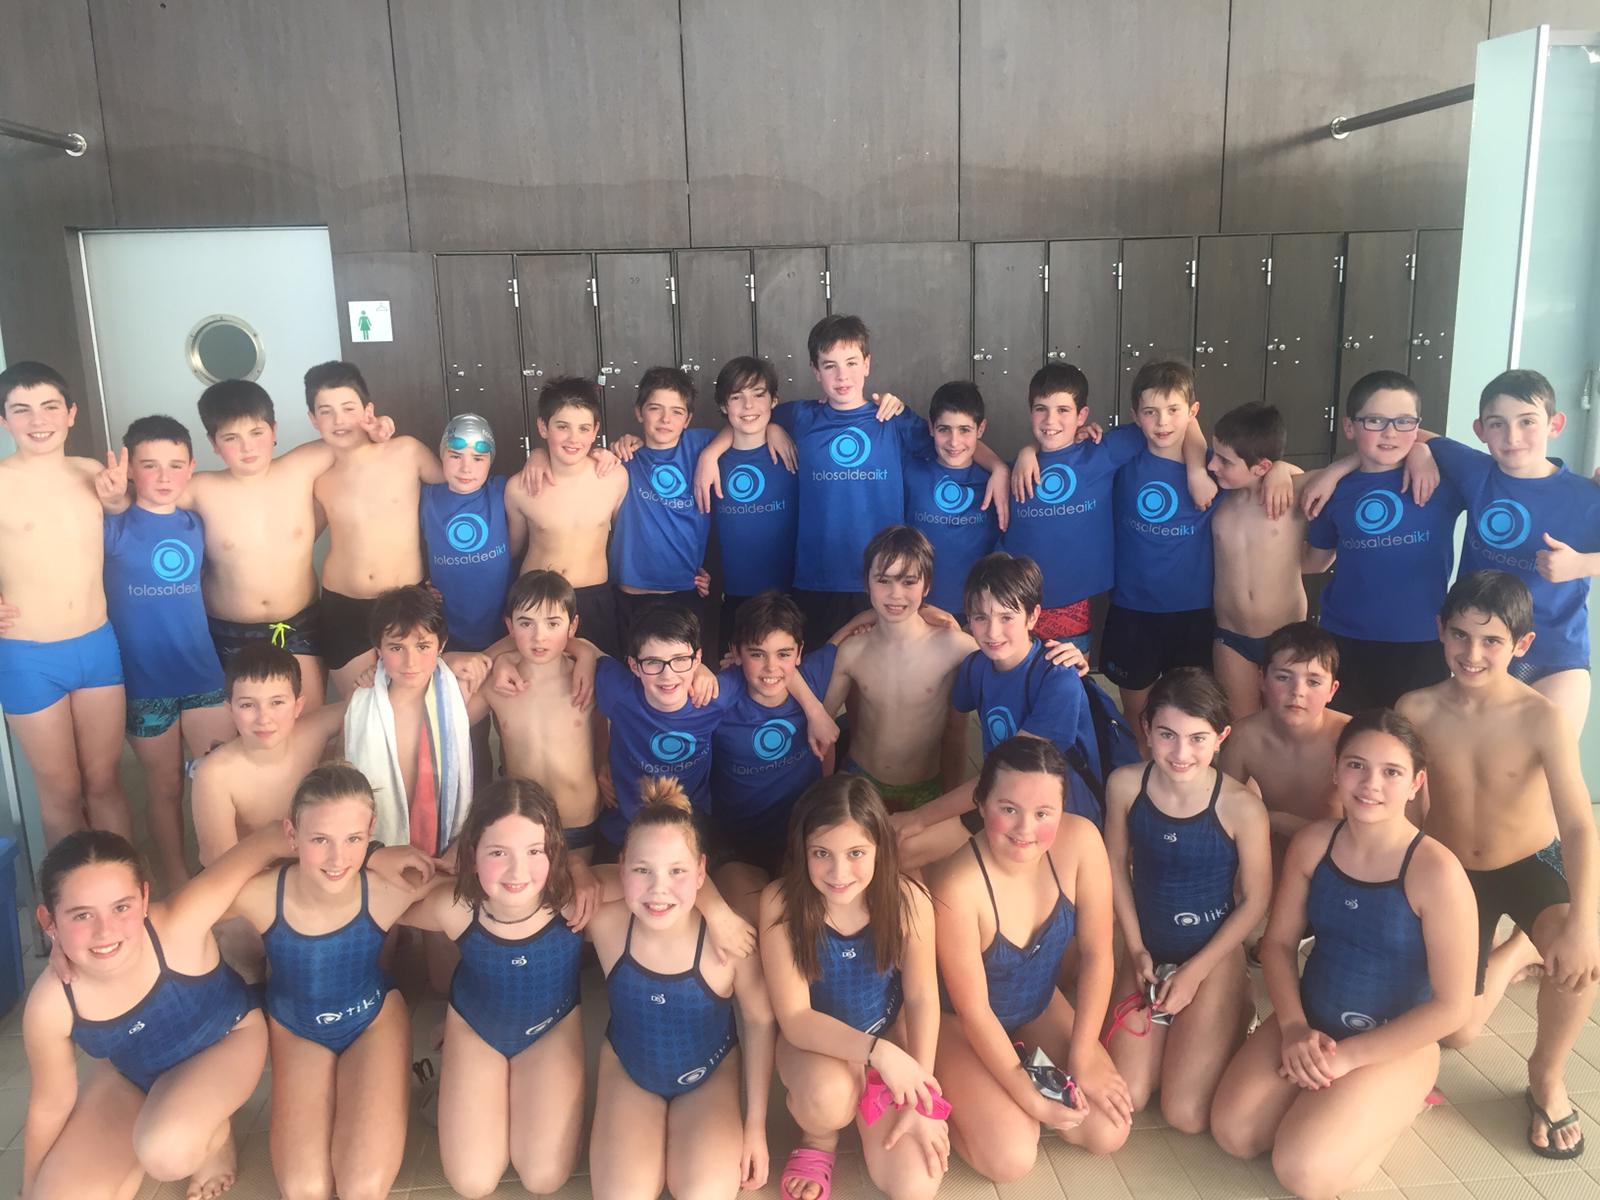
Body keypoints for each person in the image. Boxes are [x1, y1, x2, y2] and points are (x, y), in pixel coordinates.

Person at [1210, 711, 1476, 1199]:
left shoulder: (1436, 872)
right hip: (1312, 1023)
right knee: (1234, 1133)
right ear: (1335, 770)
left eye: (1391, 772)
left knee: (1303, 1172)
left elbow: (1453, 1006)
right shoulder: (1314, 843)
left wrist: (1348, 1059)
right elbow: (1278, 945)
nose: (1371, 784)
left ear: (1416, 783)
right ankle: (1333, 1103)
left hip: (1394, 1043)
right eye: (1357, 766)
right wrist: (1293, 1028)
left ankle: (1406, 1102)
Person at [1396, 570, 1599, 1157]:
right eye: (1460, 635)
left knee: (1580, 962)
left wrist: (1584, 925)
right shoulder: (1417, 708)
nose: (1473, 653)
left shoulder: (1541, 717)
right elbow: (1405, 808)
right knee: (1458, 1031)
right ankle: (1515, 953)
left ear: (1522, 644)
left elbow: (1579, 825)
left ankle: (1546, 1074)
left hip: (1529, 861)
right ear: (1440, 631)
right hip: (1454, 870)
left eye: (1492, 641)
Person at [696, 315, 1008, 650]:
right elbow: (750, 417)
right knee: (818, 669)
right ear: (815, 370)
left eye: (851, 363)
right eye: (830, 365)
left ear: (867, 364)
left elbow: (954, 439)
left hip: (883, 580)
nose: (842, 376)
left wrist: (999, 468)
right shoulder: (800, 417)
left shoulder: (893, 419)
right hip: (816, 580)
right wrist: (713, 452)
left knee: (876, 676)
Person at [19, 826, 289, 1200]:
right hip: (133, 1076)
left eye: (121, 907)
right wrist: (29, 1186)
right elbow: (50, 1105)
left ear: (144, 898)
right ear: (48, 920)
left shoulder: (180, 920)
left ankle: (212, 1135)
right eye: (81, 916)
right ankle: (156, 1124)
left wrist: (366, 855)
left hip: (226, 1042)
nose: (105, 932)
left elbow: (270, 841)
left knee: (167, 1151)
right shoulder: (50, 1004)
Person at [223, 763, 430, 1200]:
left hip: (372, 1021)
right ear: (292, 833)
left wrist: (577, 874)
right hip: (296, 1028)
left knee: (361, 1188)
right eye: (320, 840)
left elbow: (487, 884)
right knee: (305, 1189)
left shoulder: (389, 887)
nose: (338, 860)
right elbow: (177, 920)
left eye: (353, 839)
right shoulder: (262, 894)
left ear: (371, 831)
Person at [929, 736, 1132, 1180]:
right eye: (1009, 809)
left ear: (1062, 809)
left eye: (1043, 813)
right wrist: (1029, 1098)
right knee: (1011, 1158)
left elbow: (1098, 955)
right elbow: (975, 1011)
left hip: (1036, 1005)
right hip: (957, 1022)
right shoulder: (957, 886)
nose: (1025, 829)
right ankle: (954, 1096)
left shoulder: (1081, 842)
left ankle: (1013, 1075)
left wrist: (1082, 1052)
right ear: (981, 803)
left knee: (1106, 1130)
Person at [395, 778, 589, 1199]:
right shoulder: (455, 907)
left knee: (543, 1176)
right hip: (477, 1027)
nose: (518, 872)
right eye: (498, 853)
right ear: (472, 854)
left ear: (554, 851)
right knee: (472, 1181)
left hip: (550, 1027)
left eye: (534, 851)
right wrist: (425, 871)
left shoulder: (576, 901)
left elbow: (658, 881)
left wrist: (580, 868)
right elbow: (375, 904)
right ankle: (460, 1061)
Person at [587, 775, 776, 1199]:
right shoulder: (604, 921)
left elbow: (761, 1022)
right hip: (629, 1071)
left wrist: (756, 1128)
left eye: (677, 871)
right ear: (621, 868)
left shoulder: (730, 942)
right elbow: (554, 883)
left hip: (708, 1077)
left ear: (701, 872)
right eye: (642, 870)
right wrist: (580, 871)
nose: (659, 890)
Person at [758, 775, 946, 1200]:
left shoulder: (910, 900)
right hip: (814, 1046)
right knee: (827, 1097)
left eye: (856, 853)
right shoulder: (780, 904)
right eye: (821, 853)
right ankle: (818, 1139)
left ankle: (869, 1099)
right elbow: (796, 1019)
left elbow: (921, 998)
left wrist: (920, 1089)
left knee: (914, 1186)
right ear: (801, 850)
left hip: (886, 1037)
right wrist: (879, 1053)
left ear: (881, 847)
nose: (839, 872)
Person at [1100, 668, 1271, 1132]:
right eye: (1167, 735)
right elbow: (1114, 866)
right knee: (1131, 1094)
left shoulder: (1241, 806)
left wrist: (1195, 973)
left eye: (1198, 738)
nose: (1181, 753)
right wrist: (1135, 948)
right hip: (1149, 952)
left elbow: (1255, 901)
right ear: (1146, 728)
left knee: (1186, 1114)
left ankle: (1238, 1002)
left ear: (1221, 738)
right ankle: (1182, 1022)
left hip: (1212, 956)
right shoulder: (1125, 786)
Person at [101, 415, 234, 889]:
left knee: (219, 776)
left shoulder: (196, 524)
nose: (163, 477)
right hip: (144, 684)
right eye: (150, 465)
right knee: (165, 786)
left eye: (175, 465)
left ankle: (224, 875)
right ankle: (178, 884)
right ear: (129, 469)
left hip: (202, 675)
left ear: (191, 467)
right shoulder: (110, 527)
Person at [0, 360, 130, 845]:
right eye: (21, 409)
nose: (38, 420)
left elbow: (118, 519)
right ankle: (65, 892)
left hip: (97, 645)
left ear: (71, 413)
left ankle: (129, 884)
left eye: (50, 406)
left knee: (105, 781)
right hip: (28, 655)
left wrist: (116, 499)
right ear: (4, 420)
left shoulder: (91, 471)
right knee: (60, 790)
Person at [590, 601, 832, 860]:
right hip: (624, 828)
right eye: (653, 662)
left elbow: (774, 669)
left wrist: (815, 710)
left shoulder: (715, 695)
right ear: (634, 665)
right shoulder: (620, 691)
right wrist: (599, 759)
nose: (667, 675)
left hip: (692, 831)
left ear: (696, 659)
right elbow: (585, 652)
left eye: (680, 660)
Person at [1298, 370, 1461, 711]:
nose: (1390, 432)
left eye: (1404, 421)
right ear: (1349, 427)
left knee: (1410, 739)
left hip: (1422, 641)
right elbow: (1316, 561)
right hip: (1345, 640)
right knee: (1345, 737)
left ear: (1417, 426)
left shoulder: (1442, 481)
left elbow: (1496, 469)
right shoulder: (1335, 490)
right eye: (1375, 420)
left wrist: (1422, 449)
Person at [1101, 362, 1233, 744]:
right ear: (1135, 415)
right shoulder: (1123, 458)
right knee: (1138, 713)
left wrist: (1275, 474)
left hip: (1193, 612)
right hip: (1133, 608)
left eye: (1174, 410)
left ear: (1193, 411)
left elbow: (1268, 469)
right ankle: (1142, 775)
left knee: (1191, 714)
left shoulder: (1215, 465)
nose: (1162, 422)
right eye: (1151, 412)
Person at [188, 377, 339, 707]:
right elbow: (144, 502)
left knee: (306, 722)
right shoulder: (199, 489)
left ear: (274, 430)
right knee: (244, 725)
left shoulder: (300, 467)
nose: (248, 447)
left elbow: (351, 436)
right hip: (229, 629)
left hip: (298, 624)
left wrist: (378, 426)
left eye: (257, 432)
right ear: (213, 443)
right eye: (231, 438)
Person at [306, 361, 445, 697]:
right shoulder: (316, 473)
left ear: (368, 410)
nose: (339, 420)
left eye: (348, 408)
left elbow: (459, 489)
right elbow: (299, 537)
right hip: (344, 606)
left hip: (406, 600)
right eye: (326, 411)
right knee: (360, 708)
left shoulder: (406, 451)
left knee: (410, 704)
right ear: (313, 419)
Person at [1001, 363, 1156, 656]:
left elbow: (1169, 422)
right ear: (1030, 412)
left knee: (1070, 682)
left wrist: (1197, 470)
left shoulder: (1101, 452)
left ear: (1082, 415)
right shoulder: (1012, 472)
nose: (1050, 420)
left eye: (1063, 410)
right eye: (1041, 409)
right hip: (1015, 606)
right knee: (1015, 680)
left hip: (1072, 606)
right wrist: (1026, 451)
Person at [822, 526, 977, 810]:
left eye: (909, 582)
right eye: (884, 580)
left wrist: (1057, 662)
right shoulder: (852, 651)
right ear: (867, 583)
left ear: (926, 586)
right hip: (860, 783)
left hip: (925, 789)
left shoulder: (955, 647)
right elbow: (820, 724)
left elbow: (1011, 669)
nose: (896, 594)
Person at [709, 592, 838, 912]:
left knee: (806, 914)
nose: (771, 667)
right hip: (735, 843)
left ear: (799, 653)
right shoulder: (719, 697)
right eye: (757, 654)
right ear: (736, 652)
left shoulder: (813, 677)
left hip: (798, 837)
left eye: (783, 654)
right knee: (760, 918)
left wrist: (931, 613)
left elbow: (857, 630)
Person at [466, 569, 605, 856]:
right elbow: (442, 717)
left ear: (573, 626)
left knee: (578, 884)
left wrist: (585, 653)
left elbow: (643, 685)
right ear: (510, 626)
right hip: (521, 824)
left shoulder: (588, 677)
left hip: (578, 819)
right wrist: (496, 659)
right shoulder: (496, 685)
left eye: (553, 624)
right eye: (526, 623)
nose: (539, 637)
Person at [342, 586, 484, 859]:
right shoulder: (361, 704)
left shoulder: (461, 692)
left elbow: (517, 657)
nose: (411, 662)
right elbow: (344, 770)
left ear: (441, 645)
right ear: (378, 650)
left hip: (447, 852)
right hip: (381, 854)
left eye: (423, 646)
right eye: (396, 648)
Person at [509, 375, 628, 658]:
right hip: (536, 602)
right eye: (562, 427)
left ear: (595, 430)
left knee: (597, 677)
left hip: (594, 598)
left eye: (583, 428)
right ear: (543, 427)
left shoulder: (614, 478)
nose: (574, 438)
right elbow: (508, 552)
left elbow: (630, 539)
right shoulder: (520, 487)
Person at [1219, 623, 1350, 877]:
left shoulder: (1351, 739)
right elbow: (1223, 813)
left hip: (1336, 861)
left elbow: (1367, 834)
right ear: (1262, 680)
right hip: (1276, 859)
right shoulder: (1243, 738)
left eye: (1313, 682)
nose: (1297, 692)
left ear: (1332, 690)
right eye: (1283, 677)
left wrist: (1278, 820)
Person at [1206, 401, 1308, 719]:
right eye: (1214, 455)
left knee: (1288, 725)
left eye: (1225, 461)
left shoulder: (1291, 491)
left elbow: (1343, 475)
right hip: (1231, 637)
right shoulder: (1217, 495)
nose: (1212, 465)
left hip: (1286, 636)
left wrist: (1284, 468)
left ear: (1262, 467)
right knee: (1241, 727)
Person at [606, 367, 717, 641]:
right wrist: (536, 455)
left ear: (688, 419)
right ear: (639, 412)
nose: (666, 419)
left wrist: (711, 455)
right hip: (630, 594)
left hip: (684, 592)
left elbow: (741, 432)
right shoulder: (623, 459)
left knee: (684, 666)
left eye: (677, 412)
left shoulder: (700, 446)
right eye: (655, 408)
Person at [707, 357, 800, 657]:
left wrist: (774, 427)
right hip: (730, 598)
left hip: (789, 596)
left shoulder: (792, 449)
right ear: (723, 405)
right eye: (737, 397)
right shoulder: (707, 455)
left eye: (758, 394)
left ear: (774, 400)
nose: (748, 406)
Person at [421, 412, 523, 655]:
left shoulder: (503, 491)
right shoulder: (424, 498)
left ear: (490, 461)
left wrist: (538, 455)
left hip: (502, 631)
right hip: (446, 633)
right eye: (455, 456)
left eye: (478, 458)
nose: (466, 468)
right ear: (441, 455)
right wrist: (421, 585)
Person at [903, 381, 1001, 619]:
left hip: (979, 614)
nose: (954, 442)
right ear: (931, 428)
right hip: (918, 611)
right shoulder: (909, 472)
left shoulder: (996, 482)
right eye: (944, 429)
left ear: (981, 429)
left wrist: (1004, 467)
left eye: (964, 430)